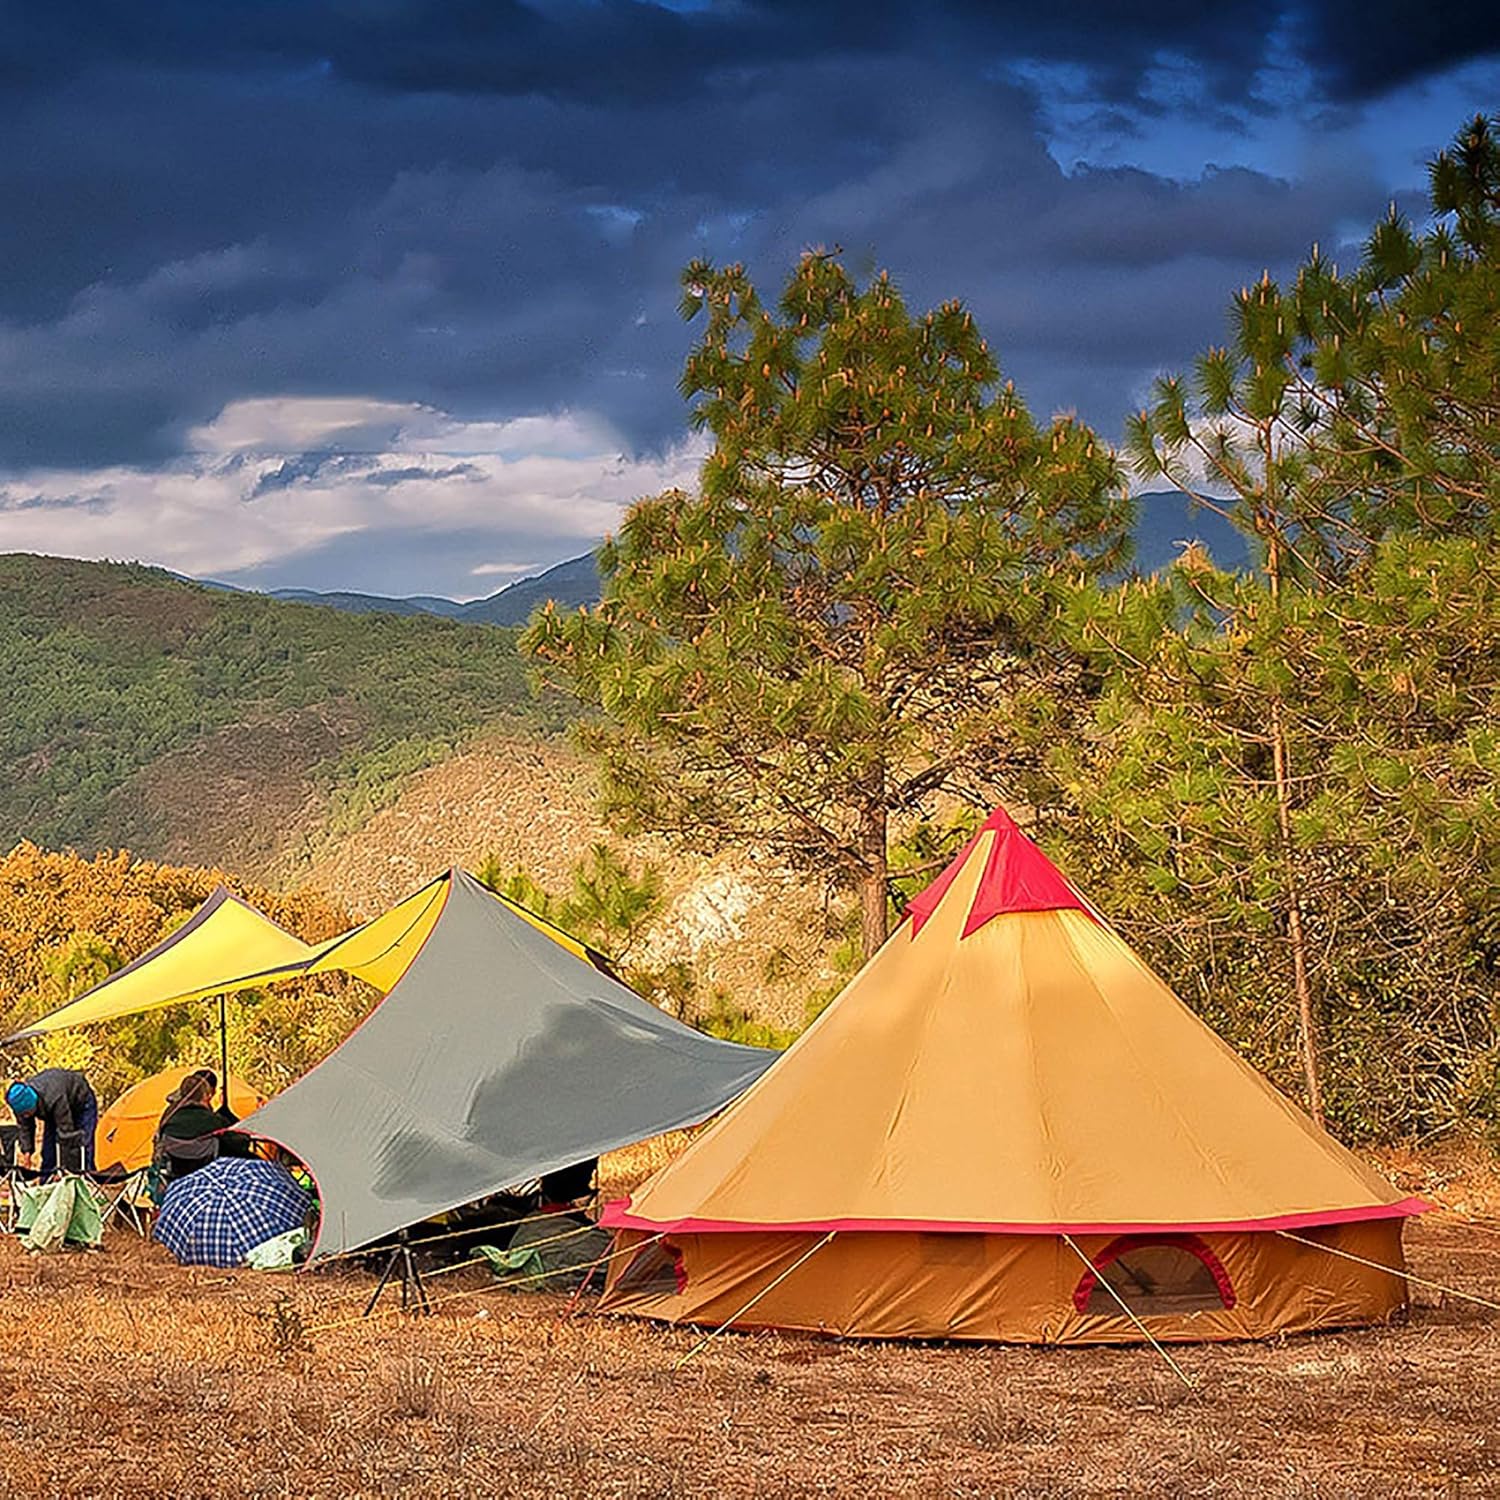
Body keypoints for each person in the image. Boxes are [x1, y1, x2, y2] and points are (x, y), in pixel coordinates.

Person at [153, 1071, 248, 1182]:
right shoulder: (210, 1120)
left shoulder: (168, 1115)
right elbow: (240, 1142)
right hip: (208, 1176)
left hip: (173, 1175)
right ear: (205, 1096)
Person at [6, 1068, 98, 1177]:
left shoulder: (54, 1098)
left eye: (28, 1113)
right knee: (48, 1151)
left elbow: (66, 1134)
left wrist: (64, 1170)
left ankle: (87, 1181)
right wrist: (27, 1153)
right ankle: (46, 1183)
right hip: (52, 1110)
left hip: (82, 1103)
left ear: (34, 1103)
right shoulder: (18, 1102)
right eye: (23, 1114)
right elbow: (25, 1128)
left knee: (83, 1145)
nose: (26, 1116)